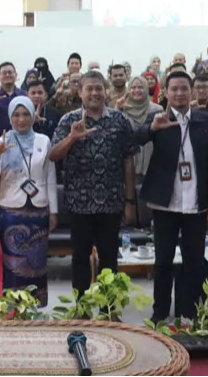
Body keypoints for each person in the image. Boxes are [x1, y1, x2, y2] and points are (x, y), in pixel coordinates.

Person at [137, 71, 208, 323]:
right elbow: (135, 139)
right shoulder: (158, 118)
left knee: (193, 260)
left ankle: (189, 310)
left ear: (192, 90)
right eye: (174, 89)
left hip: (196, 202)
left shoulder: (205, 121)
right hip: (166, 202)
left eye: (184, 88)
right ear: (166, 92)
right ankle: (160, 310)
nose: (180, 93)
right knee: (163, 260)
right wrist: (152, 129)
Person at [49, 70, 136, 295]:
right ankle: (82, 306)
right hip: (79, 203)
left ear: (106, 91)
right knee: (80, 258)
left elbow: (128, 160)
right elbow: (53, 155)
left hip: (111, 202)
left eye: (99, 88)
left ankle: (109, 307)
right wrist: (71, 138)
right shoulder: (68, 120)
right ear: (80, 92)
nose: (94, 93)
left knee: (109, 259)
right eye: (89, 89)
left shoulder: (119, 120)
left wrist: (129, 201)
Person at [0, 97, 57, 306]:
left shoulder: (43, 140)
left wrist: (53, 210)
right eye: (16, 115)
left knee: (38, 260)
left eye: (26, 114)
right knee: (12, 262)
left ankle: (36, 304)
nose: (21, 119)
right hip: (10, 209)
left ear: (33, 116)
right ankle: (13, 305)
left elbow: (50, 175)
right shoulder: (1, 141)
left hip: (39, 209)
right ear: (10, 117)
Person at [120, 77, 162, 176]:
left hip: (152, 161)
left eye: (140, 87)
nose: (137, 90)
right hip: (129, 162)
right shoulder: (122, 109)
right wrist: (118, 109)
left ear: (146, 89)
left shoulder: (157, 109)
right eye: (133, 87)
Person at [0, 61, 26, 137]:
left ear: (16, 75)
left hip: (21, 137)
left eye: (10, 72)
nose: (7, 75)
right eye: (4, 73)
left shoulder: (24, 95)